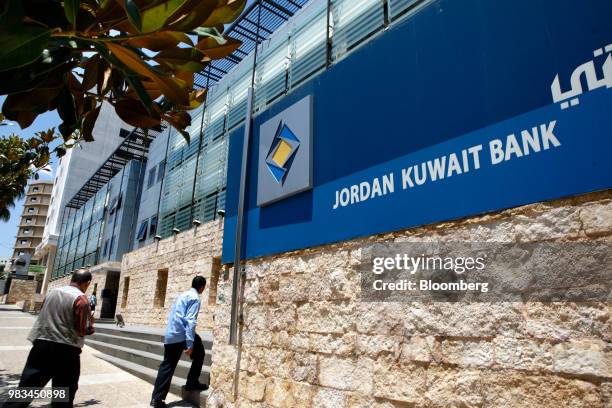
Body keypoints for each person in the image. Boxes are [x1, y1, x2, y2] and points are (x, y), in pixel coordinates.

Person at [6, 269, 94, 408]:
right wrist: (90, 321)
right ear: (87, 283)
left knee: (26, 389)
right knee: (63, 394)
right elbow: (83, 330)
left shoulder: (52, 292)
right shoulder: (81, 299)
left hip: (41, 344)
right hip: (66, 350)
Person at [151, 276, 208, 408]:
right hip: (182, 335)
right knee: (200, 353)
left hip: (171, 334)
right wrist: (189, 344)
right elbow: (190, 321)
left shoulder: (183, 295)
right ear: (202, 287)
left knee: (167, 366)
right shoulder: (195, 298)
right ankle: (192, 382)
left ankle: (156, 399)